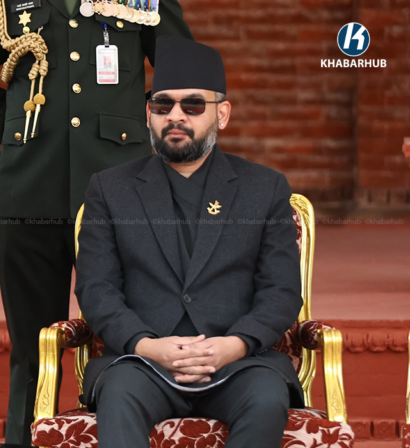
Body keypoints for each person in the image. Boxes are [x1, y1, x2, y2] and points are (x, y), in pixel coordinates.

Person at [0, 0, 193, 442]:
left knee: (129, 339)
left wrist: (136, 128)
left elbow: (182, 73)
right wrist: (23, 131)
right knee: (30, 349)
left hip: (121, 191)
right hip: (29, 188)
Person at [76, 36, 304, 448]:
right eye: (162, 105)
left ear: (222, 114)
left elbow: (282, 289)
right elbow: (96, 288)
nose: (176, 116)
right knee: (119, 396)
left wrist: (233, 345)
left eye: (193, 105)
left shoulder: (264, 188)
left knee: (267, 399)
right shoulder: (110, 190)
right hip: (142, 364)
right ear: (148, 114)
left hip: (238, 365)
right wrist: (148, 346)